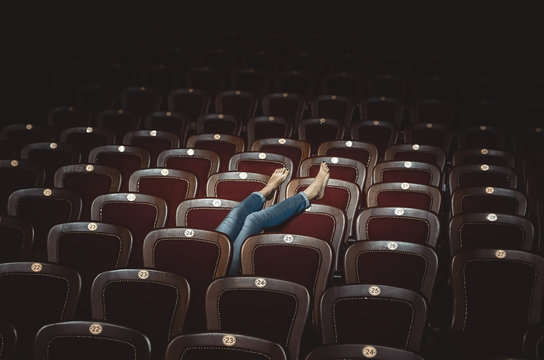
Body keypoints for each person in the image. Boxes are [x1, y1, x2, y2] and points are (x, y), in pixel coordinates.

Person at [216, 162, 331, 275]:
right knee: (253, 219)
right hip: (218, 271)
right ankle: (310, 194)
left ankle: (268, 189)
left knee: (235, 215)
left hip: (210, 251)